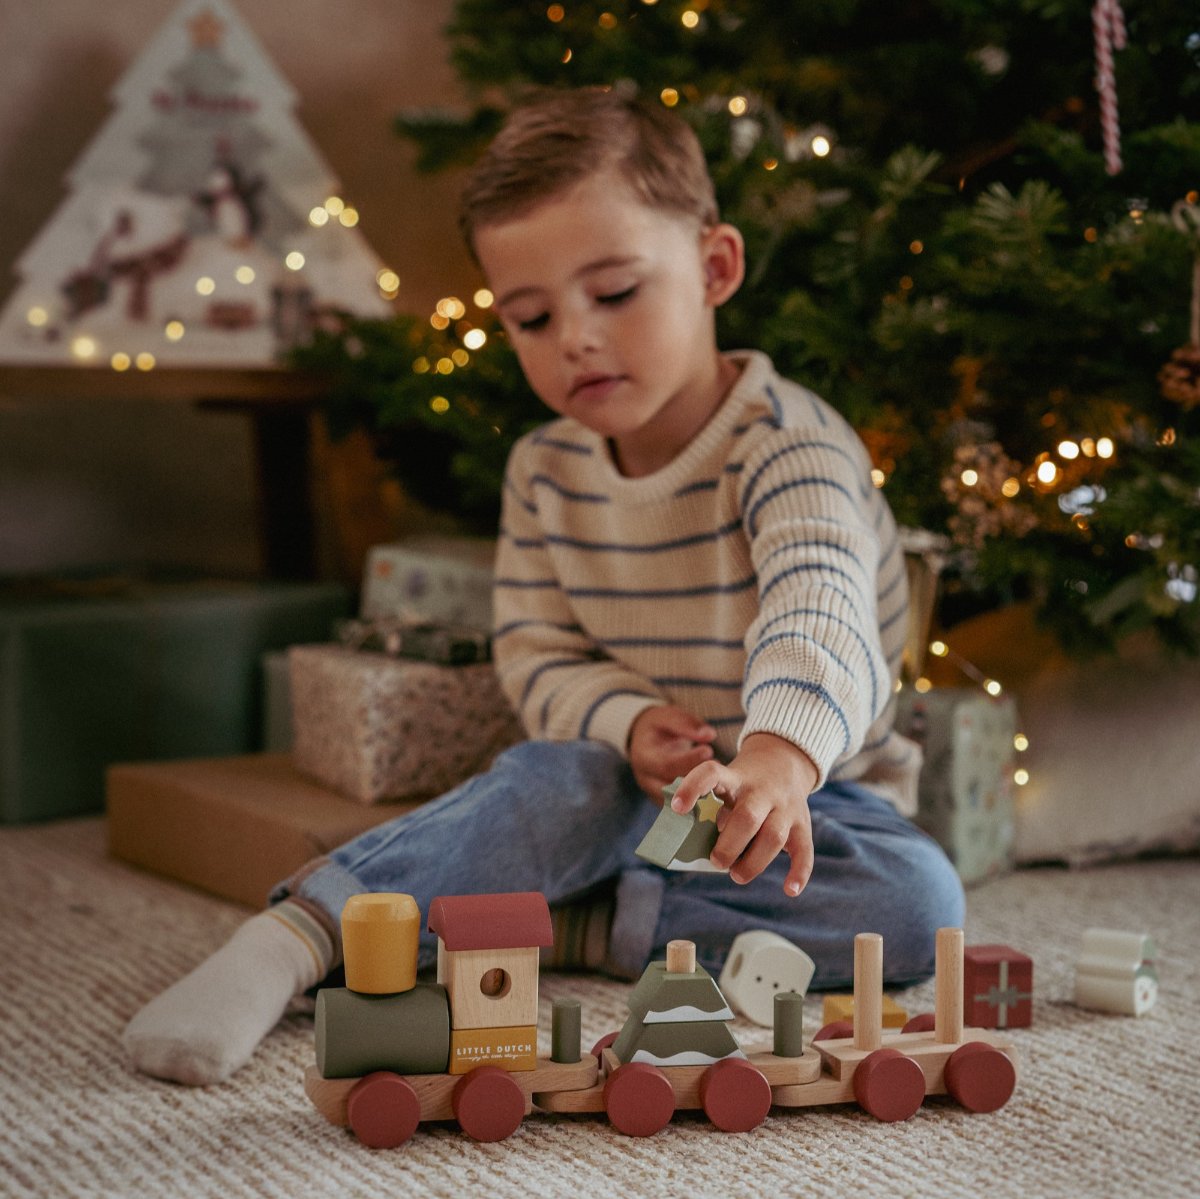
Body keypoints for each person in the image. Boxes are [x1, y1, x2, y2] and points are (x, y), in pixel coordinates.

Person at [123, 87, 963, 1086]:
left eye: (614, 293)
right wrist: (625, 719)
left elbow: (818, 600)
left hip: (809, 802)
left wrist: (779, 758)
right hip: (618, 784)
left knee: (919, 901)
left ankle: (568, 919)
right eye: (531, 315)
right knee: (549, 783)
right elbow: (536, 646)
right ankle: (298, 935)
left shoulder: (789, 446)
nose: (574, 336)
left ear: (714, 267)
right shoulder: (545, 469)